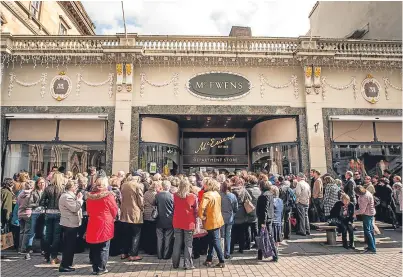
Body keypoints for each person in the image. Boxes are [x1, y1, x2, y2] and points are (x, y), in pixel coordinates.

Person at [86, 177, 118, 275]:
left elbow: (88, 210)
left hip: (93, 221)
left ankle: (95, 267)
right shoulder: (108, 196)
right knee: (104, 246)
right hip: (105, 222)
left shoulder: (90, 196)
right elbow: (114, 209)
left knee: (94, 246)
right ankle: (101, 268)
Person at [39, 171, 65, 264]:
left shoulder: (47, 189)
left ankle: (46, 256)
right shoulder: (62, 189)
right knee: (56, 236)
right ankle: (54, 257)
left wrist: (46, 206)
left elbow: (41, 202)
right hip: (59, 213)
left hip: (49, 213)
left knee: (47, 235)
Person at [199, 178, 225, 268]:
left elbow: (201, 208)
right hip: (218, 219)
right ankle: (209, 259)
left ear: (208, 185)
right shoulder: (217, 194)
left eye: (204, 184)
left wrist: (202, 216)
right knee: (211, 240)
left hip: (210, 220)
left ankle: (221, 260)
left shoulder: (206, 195)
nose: (203, 186)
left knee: (215, 240)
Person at [58, 180, 84, 272]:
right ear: (71, 187)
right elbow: (74, 208)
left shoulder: (69, 196)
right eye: (75, 186)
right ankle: (65, 265)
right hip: (69, 224)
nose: (76, 188)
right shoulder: (66, 197)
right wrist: (80, 199)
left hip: (71, 223)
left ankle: (68, 264)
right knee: (68, 246)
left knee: (70, 245)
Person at [172, 179, 198, 270]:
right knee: (188, 244)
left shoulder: (174, 195)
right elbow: (196, 211)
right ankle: (187, 264)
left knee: (177, 243)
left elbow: (174, 207)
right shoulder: (193, 196)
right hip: (189, 222)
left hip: (177, 221)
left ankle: (175, 263)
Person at [120, 177, 144, 261]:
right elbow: (140, 200)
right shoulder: (137, 186)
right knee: (136, 234)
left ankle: (124, 253)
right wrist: (142, 208)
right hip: (135, 212)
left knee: (125, 234)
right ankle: (133, 254)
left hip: (125, 212)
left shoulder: (124, 185)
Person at [256, 180, 278, 262]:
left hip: (265, 219)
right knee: (263, 236)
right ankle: (260, 254)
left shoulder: (263, 196)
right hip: (269, 218)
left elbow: (264, 210)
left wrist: (263, 222)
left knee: (267, 237)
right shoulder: (270, 194)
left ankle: (275, 255)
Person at [26, 177, 46, 259]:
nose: (42, 184)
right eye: (40, 183)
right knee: (32, 231)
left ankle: (43, 249)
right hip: (35, 213)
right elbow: (29, 204)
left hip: (44, 213)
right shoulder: (33, 192)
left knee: (43, 232)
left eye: (43, 183)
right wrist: (39, 204)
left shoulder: (46, 192)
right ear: (37, 184)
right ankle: (29, 248)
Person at [230, 176, 251, 254]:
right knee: (241, 233)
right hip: (242, 212)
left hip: (234, 213)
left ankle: (231, 249)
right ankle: (241, 248)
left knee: (233, 233)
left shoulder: (231, 191)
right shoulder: (244, 191)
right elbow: (250, 199)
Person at [354, 185, 376, 254]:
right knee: (371, 230)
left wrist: (354, 213)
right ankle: (371, 246)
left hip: (367, 214)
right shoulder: (367, 193)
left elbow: (362, 210)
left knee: (367, 231)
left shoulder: (364, 197)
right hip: (371, 212)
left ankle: (372, 248)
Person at [155, 180, 174, 260]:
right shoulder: (172, 196)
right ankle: (166, 255)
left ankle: (159, 255)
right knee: (168, 238)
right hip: (169, 219)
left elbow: (154, 204)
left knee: (159, 238)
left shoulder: (157, 195)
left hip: (159, 219)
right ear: (169, 187)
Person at [219, 179, 238, 259]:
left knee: (222, 236)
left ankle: (221, 252)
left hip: (221, 218)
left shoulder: (219, 195)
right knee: (228, 236)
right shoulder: (232, 196)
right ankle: (227, 253)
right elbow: (236, 208)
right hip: (229, 218)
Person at [141, 181, 161, 255]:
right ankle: (152, 249)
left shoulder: (146, 193)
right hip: (152, 214)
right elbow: (154, 203)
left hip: (146, 214)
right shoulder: (154, 194)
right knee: (152, 233)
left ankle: (146, 248)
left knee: (147, 232)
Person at [17, 180, 34, 256]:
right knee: (26, 232)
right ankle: (23, 249)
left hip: (20, 213)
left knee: (21, 231)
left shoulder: (20, 193)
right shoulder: (31, 194)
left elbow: (18, 203)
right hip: (28, 213)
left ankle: (19, 248)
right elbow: (31, 204)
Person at [245, 175, 261, 249]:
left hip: (249, 210)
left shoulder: (247, 190)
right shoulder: (259, 190)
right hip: (257, 210)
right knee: (256, 228)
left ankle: (248, 244)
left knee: (248, 228)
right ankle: (257, 243)